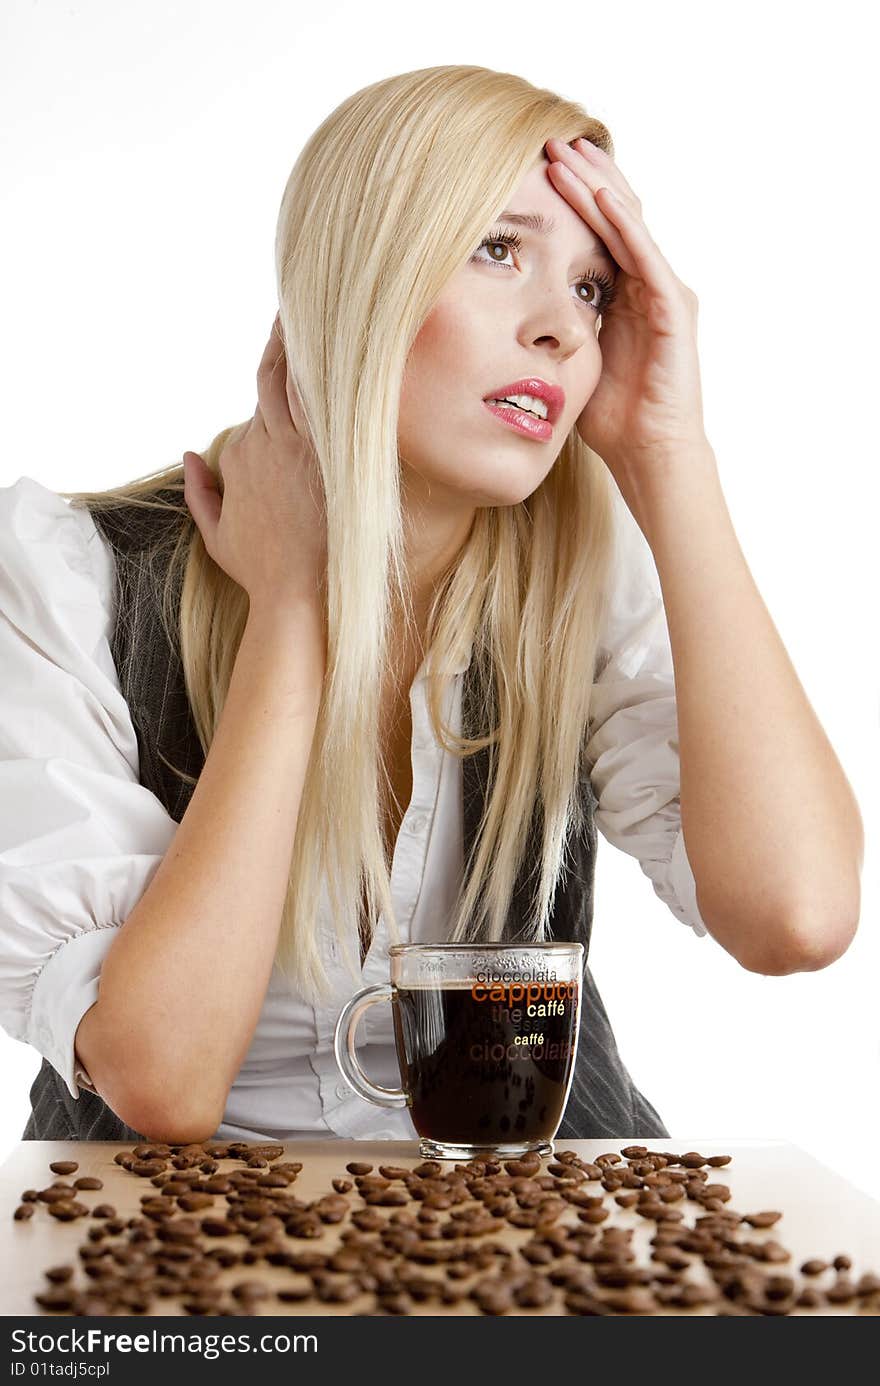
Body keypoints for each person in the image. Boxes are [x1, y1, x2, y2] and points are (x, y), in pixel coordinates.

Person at [0, 66, 863, 1146]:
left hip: (523, 1239)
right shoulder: (66, 572)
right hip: (170, 1261)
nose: (561, 327)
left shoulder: (585, 580)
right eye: (499, 250)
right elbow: (161, 1083)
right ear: (361, 272)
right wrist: (291, 615)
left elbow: (798, 917)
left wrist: (670, 457)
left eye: (594, 289)